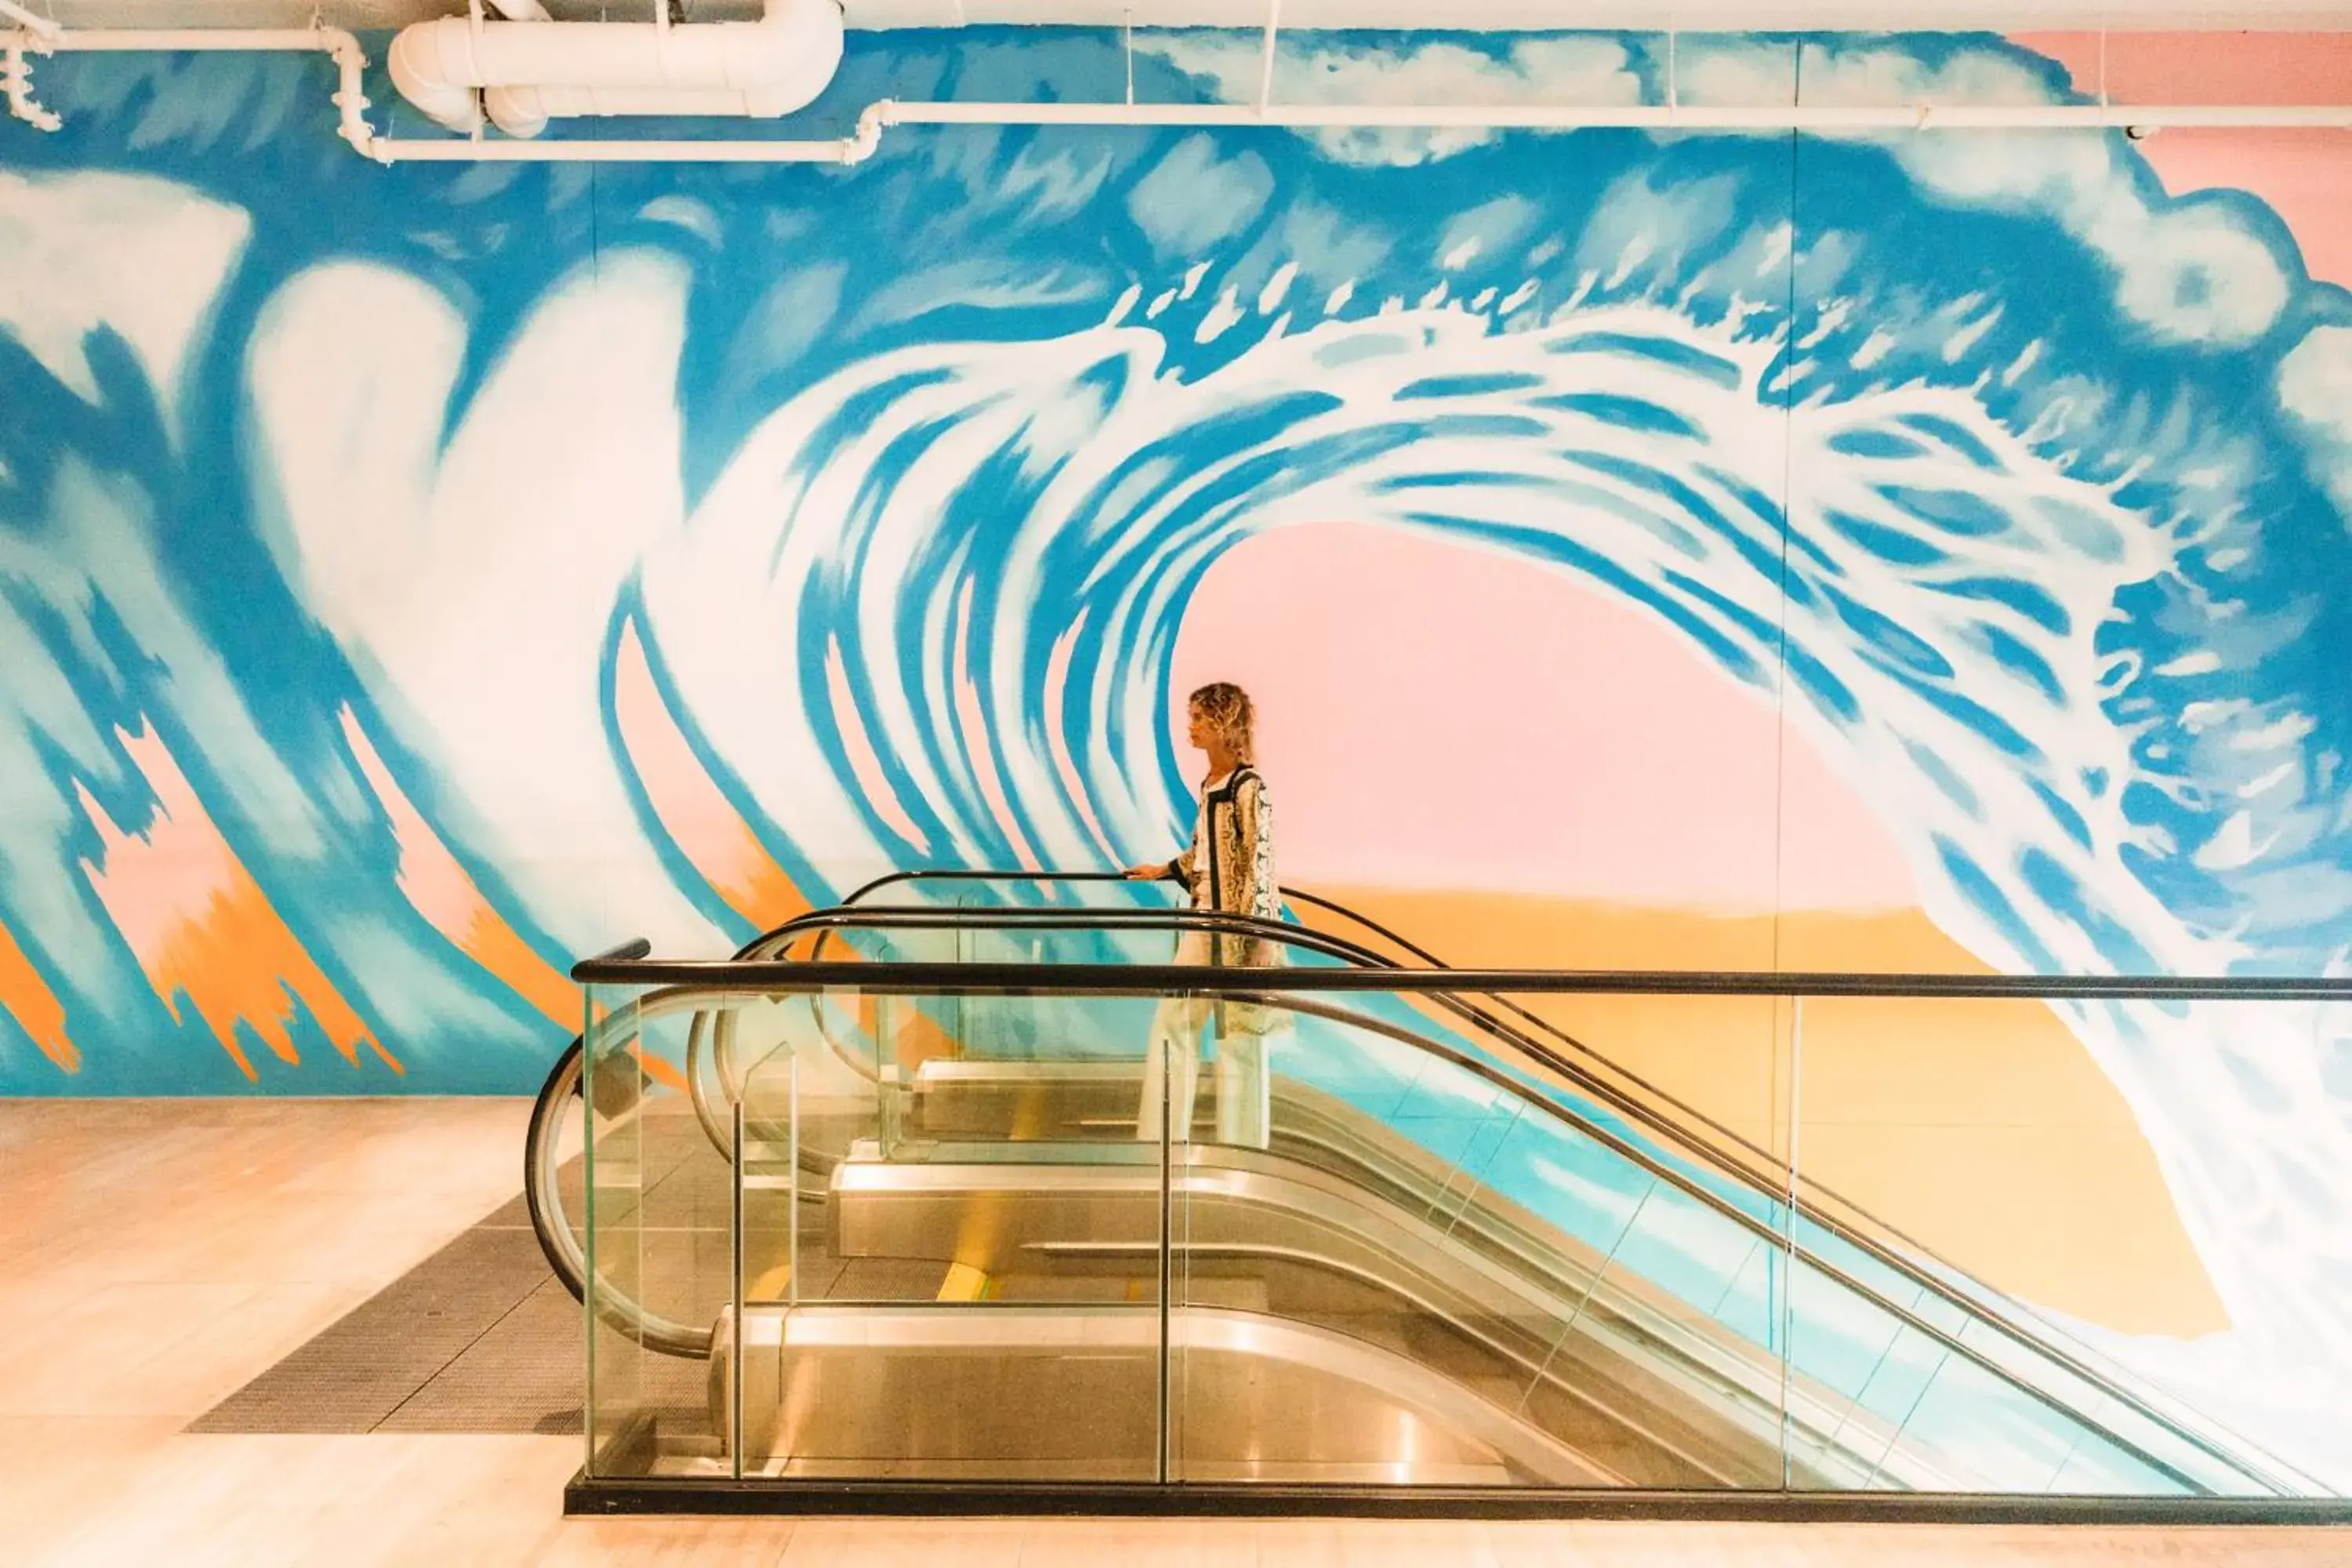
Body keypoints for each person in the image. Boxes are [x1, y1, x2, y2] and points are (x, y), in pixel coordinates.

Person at [1124, 681, 1283, 1148]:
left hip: (1236, 927)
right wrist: (1164, 870)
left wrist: (1259, 933)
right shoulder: (1211, 783)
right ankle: (1163, 1137)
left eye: (1198, 718)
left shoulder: (1248, 787)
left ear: (1221, 722)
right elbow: (1203, 851)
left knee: (1241, 1035)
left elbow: (1261, 861)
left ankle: (1245, 1144)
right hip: (1204, 917)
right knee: (1178, 1021)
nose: (1190, 727)